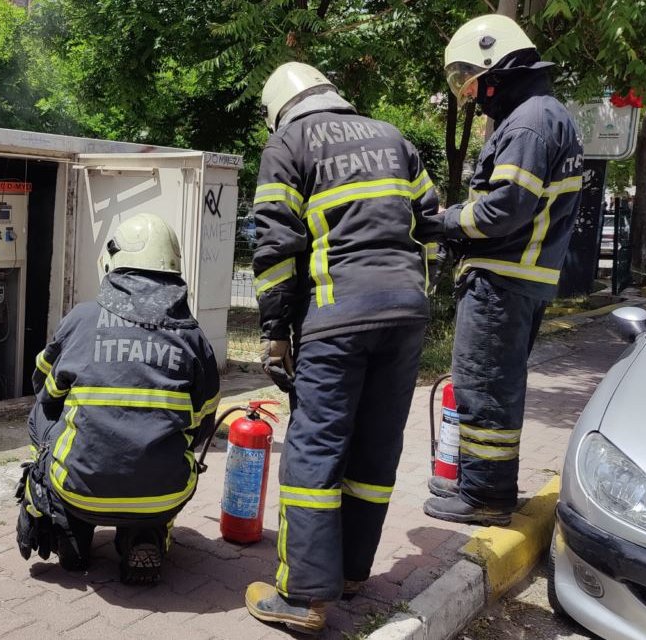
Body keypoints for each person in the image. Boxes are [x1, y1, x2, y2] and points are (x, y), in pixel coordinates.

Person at [243, 61, 440, 634]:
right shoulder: (393, 137)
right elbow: (429, 224)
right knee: (376, 447)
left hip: (337, 316)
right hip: (407, 315)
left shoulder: (289, 142)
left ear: (281, 106)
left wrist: (276, 332)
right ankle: (352, 572)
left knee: (314, 450)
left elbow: (276, 246)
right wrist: (409, 291)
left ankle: (303, 594)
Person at [423, 14, 584, 525]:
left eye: (471, 79)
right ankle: (480, 481)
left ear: (497, 65)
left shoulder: (530, 123)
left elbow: (505, 208)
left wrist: (444, 223)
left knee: (483, 386)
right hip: (521, 278)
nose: (471, 94)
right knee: (496, 385)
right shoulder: (544, 113)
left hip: (503, 278)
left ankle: (486, 496)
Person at [15, 213, 220, 585]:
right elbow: (205, 421)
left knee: (41, 413)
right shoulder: (194, 336)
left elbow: (42, 386)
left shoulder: (82, 318)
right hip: (165, 491)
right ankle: (146, 533)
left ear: (113, 263)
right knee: (166, 461)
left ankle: (70, 527)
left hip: (81, 488)